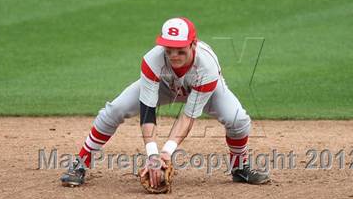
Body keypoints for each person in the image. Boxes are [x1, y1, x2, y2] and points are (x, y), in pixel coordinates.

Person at [60, 17, 270, 187]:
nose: (174, 55)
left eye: (181, 50)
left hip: (203, 89)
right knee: (116, 109)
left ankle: (239, 168)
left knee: (238, 119)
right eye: (169, 49)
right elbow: (148, 113)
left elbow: (188, 117)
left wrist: (166, 153)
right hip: (164, 87)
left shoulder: (207, 67)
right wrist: (153, 156)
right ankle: (80, 164)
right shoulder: (152, 61)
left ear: (193, 44)